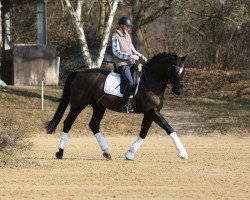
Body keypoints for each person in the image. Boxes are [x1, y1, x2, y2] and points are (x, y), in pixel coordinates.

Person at [112, 16, 147, 113]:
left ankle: (133, 102)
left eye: (129, 27)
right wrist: (130, 56)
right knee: (130, 82)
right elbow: (116, 52)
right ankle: (123, 105)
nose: (129, 28)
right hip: (122, 64)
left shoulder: (127, 36)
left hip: (131, 64)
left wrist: (141, 56)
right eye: (127, 26)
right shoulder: (115, 36)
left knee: (138, 81)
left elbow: (133, 50)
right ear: (121, 26)